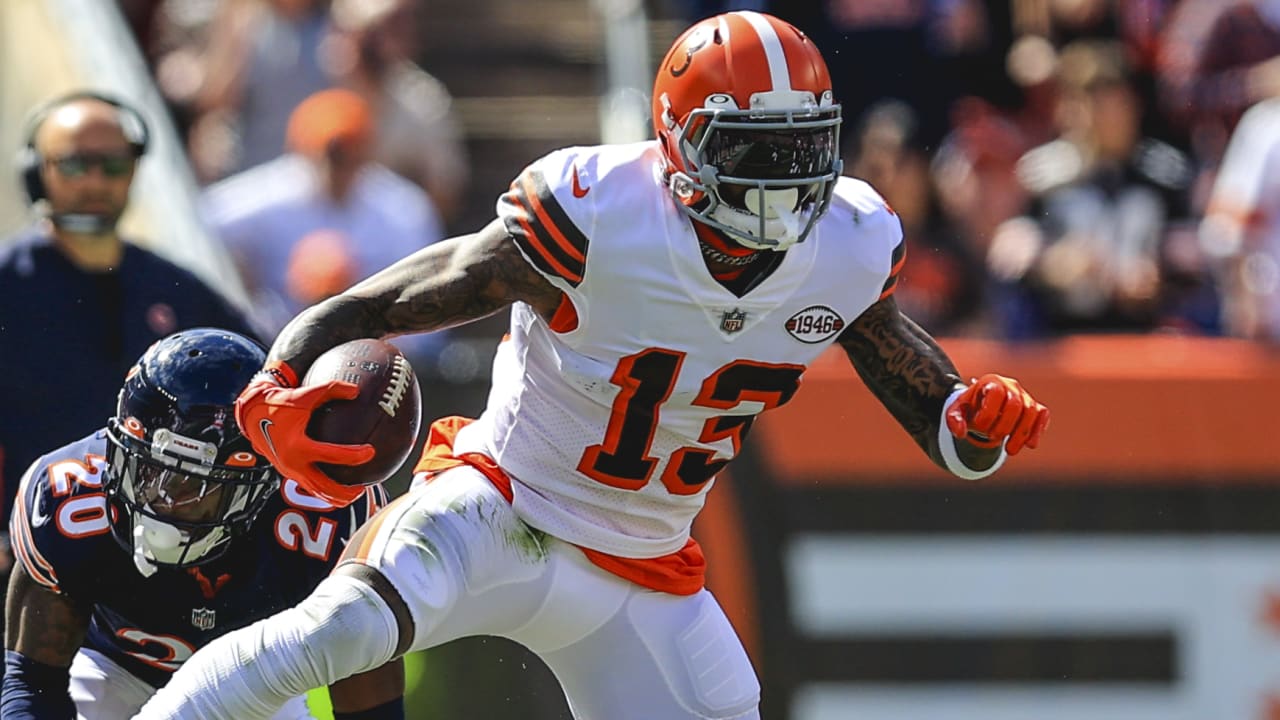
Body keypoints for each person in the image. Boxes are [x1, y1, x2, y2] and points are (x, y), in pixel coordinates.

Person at [135, 12, 1051, 720]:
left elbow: (929, 405)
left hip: (645, 562)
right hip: (499, 505)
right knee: (339, 630)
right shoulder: (603, 214)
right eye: (754, 152)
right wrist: (284, 368)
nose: (780, 183)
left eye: (800, 149)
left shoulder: (851, 245)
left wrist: (970, 420)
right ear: (679, 141)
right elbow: (401, 296)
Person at [2, 328, 389, 719]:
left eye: (196, 483)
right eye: (148, 470)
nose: (164, 497)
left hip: (255, 683)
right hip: (114, 672)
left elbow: (371, 707)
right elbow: (34, 680)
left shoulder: (326, 520)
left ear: (259, 481)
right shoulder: (70, 500)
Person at [0, 90, 257, 533]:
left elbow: (260, 374)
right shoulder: (7, 283)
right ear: (37, 171)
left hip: (152, 545)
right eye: (76, 164)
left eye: (114, 164)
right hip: (25, 542)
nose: (96, 181)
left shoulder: (175, 288)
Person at [200, 88, 447, 369]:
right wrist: (245, 282)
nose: (339, 166)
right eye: (332, 154)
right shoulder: (265, 197)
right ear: (303, 149)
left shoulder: (402, 210)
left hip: (373, 345)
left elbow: (430, 304)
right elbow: (199, 230)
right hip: (276, 335)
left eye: (349, 154)